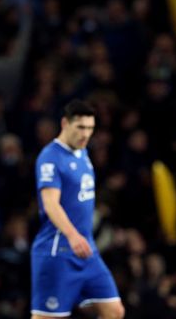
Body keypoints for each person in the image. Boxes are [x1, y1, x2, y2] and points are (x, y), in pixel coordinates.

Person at [31, 100, 125, 319]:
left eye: (90, 128)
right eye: (80, 127)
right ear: (65, 123)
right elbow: (50, 204)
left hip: (86, 250)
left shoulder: (82, 153)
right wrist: (72, 236)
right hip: (58, 250)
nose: (86, 134)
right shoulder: (50, 157)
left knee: (114, 311)